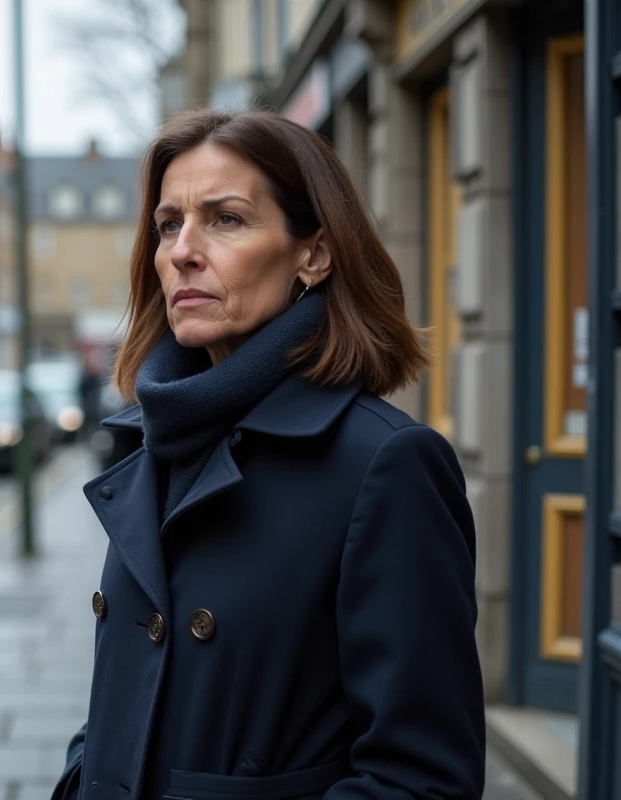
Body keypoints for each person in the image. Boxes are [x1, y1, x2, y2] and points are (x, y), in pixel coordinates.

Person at [52, 110, 484, 799]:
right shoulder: (154, 437)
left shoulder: (387, 465)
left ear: (314, 253)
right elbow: (124, 697)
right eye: (169, 224)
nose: (182, 251)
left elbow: (420, 781)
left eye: (225, 219)